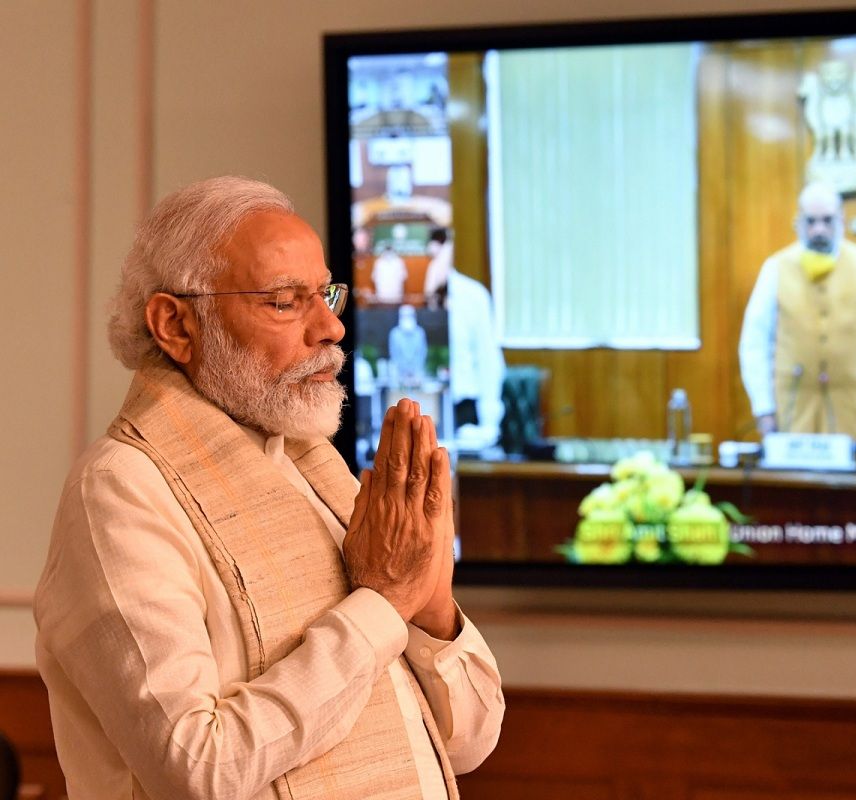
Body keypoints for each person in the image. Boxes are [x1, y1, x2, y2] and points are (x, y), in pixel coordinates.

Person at [34, 176, 503, 800]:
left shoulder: (318, 472)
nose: (331, 330)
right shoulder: (120, 490)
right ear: (175, 324)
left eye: (326, 295)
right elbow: (198, 771)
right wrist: (384, 604)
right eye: (285, 302)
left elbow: (470, 742)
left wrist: (431, 603)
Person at [739, 182, 856, 440]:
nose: (819, 229)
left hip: (854, 411)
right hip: (792, 412)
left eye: (827, 220)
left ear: (841, 220)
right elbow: (754, 344)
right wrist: (763, 409)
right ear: (798, 223)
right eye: (811, 221)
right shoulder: (775, 268)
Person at [423, 228, 506, 450]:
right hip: (418, 405)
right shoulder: (412, 298)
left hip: (463, 408)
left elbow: (488, 357)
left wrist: (489, 423)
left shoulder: (472, 296)